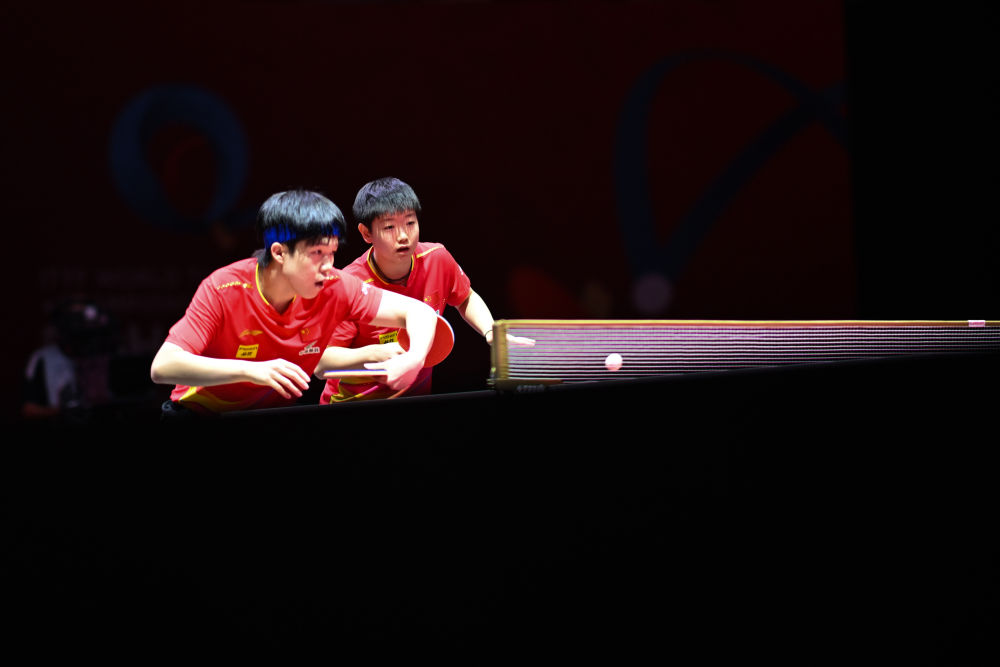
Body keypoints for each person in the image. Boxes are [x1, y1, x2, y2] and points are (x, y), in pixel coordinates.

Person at [150, 188, 437, 415]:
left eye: (332, 253)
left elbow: (419, 312)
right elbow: (163, 367)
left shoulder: (335, 286)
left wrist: (414, 359)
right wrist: (250, 370)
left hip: (273, 416)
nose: (328, 266)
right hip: (200, 416)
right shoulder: (224, 288)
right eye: (316, 254)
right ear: (279, 252)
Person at [316, 177, 532, 403]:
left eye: (410, 223)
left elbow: (465, 297)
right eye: (389, 227)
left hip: (415, 400)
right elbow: (322, 362)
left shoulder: (437, 258)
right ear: (366, 233)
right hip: (351, 405)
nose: (403, 236)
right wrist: (373, 354)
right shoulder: (350, 286)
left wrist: (489, 330)